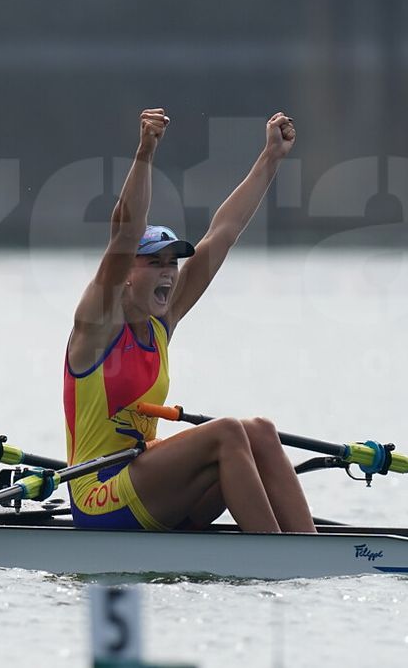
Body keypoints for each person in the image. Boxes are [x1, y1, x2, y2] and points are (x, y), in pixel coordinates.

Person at [64, 108, 316, 533]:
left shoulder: (163, 320)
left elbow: (224, 231)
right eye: (154, 263)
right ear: (126, 274)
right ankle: (277, 555)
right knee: (227, 433)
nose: (168, 271)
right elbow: (125, 234)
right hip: (97, 495)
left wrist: (271, 158)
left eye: (172, 263)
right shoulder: (96, 325)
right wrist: (145, 153)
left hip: (145, 481)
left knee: (260, 432)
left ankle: (307, 549)